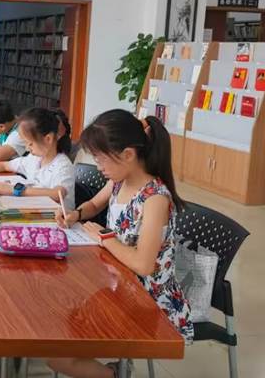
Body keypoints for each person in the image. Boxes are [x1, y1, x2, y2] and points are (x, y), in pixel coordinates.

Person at [49, 109, 193, 378]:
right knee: (54, 316)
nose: (99, 167)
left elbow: (144, 265)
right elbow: (94, 205)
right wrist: (76, 214)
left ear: (128, 154)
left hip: (146, 301)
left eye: (101, 159)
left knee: (59, 354)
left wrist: (105, 237)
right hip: (116, 283)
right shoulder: (119, 181)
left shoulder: (155, 199)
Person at [0, 108, 75, 209]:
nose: (27, 148)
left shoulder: (63, 165)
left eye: (30, 144)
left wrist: (13, 190)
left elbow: (57, 194)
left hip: (57, 216)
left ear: (48, 139)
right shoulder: (34, 159)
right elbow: (4, 165)